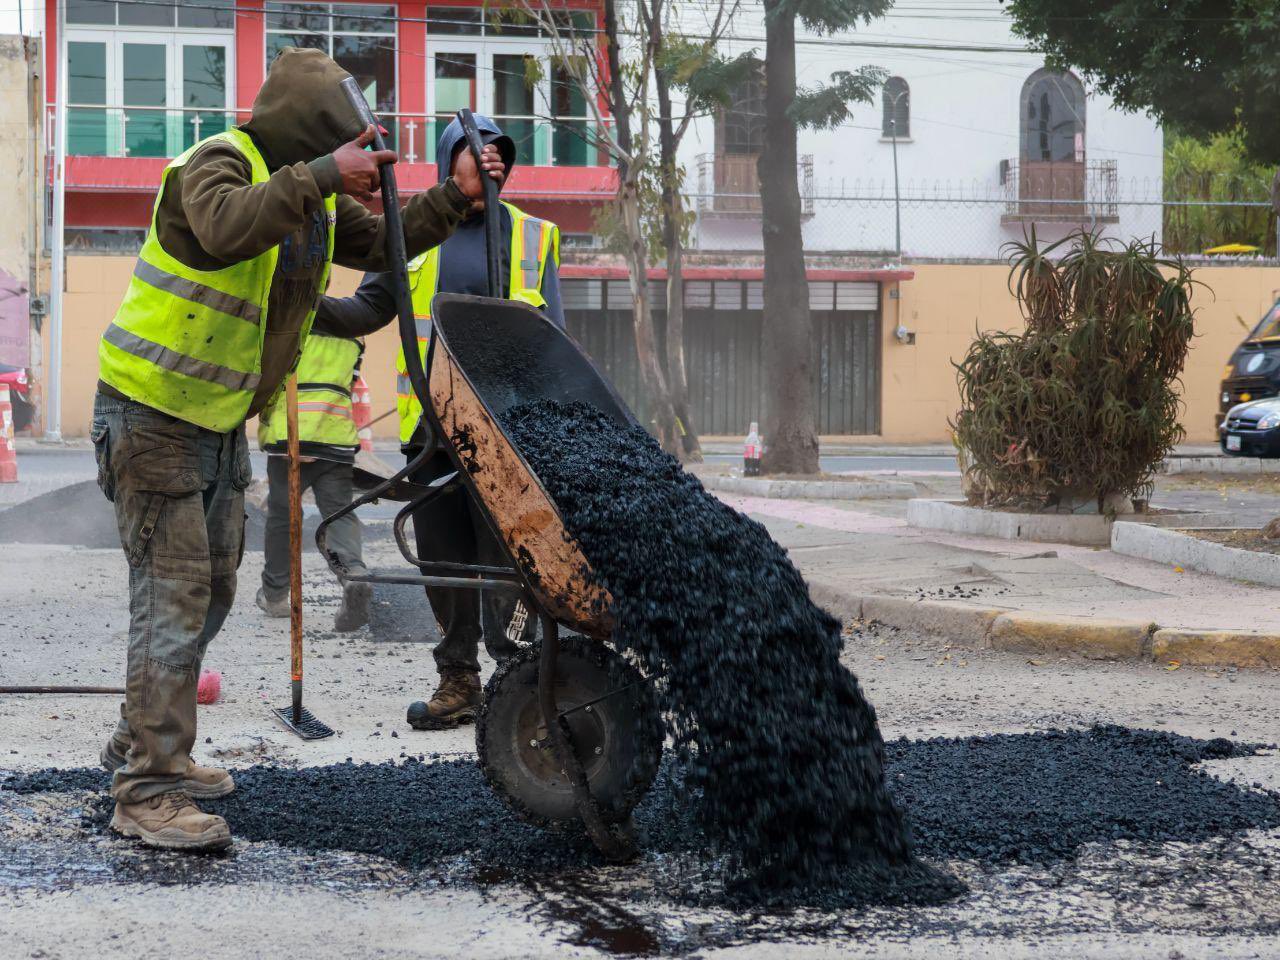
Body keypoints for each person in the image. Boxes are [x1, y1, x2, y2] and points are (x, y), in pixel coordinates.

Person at [89, 48, 504, 852]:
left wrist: (452, 198)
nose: (353, 165)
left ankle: (143, 743)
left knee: (208, 592)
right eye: (342, 147)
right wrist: (321, 174)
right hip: (150, 416)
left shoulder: (310, 202)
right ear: (310, 136)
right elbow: (226, 227)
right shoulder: (215, 165)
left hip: (211, 423)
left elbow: (386, 240)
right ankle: (146, 790)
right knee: (171, 601)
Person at [315, 114, 563, 730]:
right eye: (476, 155)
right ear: (451, 162)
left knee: (506, 559)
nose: (489, 165)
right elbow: (370, 307)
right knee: (444, 560)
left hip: (507, 434)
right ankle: (458, 679)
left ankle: (520, 684)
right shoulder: (414, 232)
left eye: (497, 155)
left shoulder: (534, 236)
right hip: (430, 432)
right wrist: (300, 303)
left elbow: (554, 340)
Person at [255, 331, 371, 631]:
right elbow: (350, 382)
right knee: (339, 514)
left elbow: (265, 381)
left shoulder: (287, 327)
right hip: (334, 437)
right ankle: (353, 573)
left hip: (290, 436)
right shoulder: (351, 338)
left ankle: (276, 594)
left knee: (283, 516)